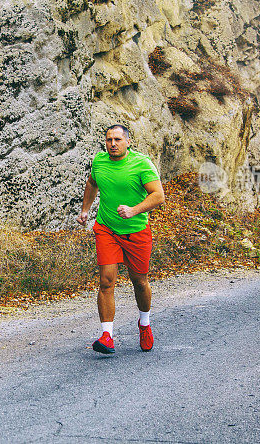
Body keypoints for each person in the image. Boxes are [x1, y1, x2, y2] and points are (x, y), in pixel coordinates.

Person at [77, 125, 165, 354]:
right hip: (107, 229)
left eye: (117, 139)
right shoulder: (100, 161)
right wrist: (86, 210)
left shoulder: (141, 163)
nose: (112, 144)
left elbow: (158, 196)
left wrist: (134, 210)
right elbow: (92, 183)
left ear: (127, 141)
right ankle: (107, 336)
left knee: (139, 281)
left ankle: (144, 324)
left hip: (136, 231)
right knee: (106, 280)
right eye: (108, 140)